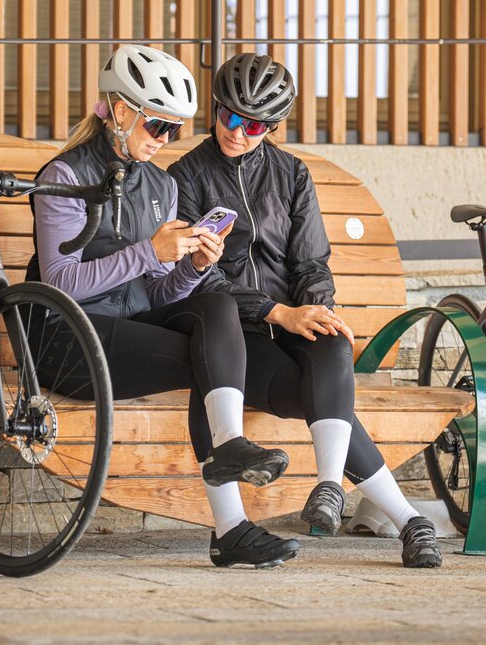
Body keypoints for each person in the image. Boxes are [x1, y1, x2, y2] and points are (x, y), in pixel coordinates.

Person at [27, 44, 301, 568]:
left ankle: (230, 456)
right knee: (208, 363)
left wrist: (190, 269)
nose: (164, 140)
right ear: (122, 110)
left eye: (173, 131)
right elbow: (60, 283)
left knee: (215, 302)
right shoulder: (63, 178)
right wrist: (146, 252)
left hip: (131, 332)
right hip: (70, 339)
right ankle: (232, 526)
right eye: (157, 126)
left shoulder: (161, 185)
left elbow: (155, 295)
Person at [168, 52, 443, 568]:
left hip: (291, 319)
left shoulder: (291, 174)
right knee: (318, 395)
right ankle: (410, 519)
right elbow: (204, 275)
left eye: (252, 124)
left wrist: (315, 312)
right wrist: (277, 312)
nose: (236, 130)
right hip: (236, 333)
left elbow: (311, 262)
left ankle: (327, 487)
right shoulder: (185, 177)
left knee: (335, 341)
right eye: (227, 114)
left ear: (272, 126)